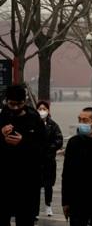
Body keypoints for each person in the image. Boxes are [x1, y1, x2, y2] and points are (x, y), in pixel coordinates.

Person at [0, 85, 46, 226]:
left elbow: (43, 147)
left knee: (25, 219)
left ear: (24, 102)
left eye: (18, 104)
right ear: (6, 101)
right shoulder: (2, 117)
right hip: (4, 179)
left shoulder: (34, 118)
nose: (14, 108)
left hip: (28, 180)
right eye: (11, 104)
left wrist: (24, 142)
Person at [36, 101, 63, 218]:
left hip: (48, 160)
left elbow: (59, 140)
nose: (42, 111)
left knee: (48, 185)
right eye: (40, 109)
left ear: (48, 110)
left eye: (44, 109)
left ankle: (48, 206)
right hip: (35, 161)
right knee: (35, 186)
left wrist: (49, 148)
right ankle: (34, 210)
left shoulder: (53, 125)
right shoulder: (32, 124)